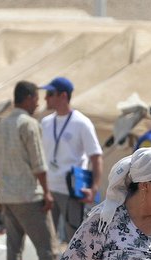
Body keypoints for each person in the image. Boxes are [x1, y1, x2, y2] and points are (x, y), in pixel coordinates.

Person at [0, 81, 58, 260]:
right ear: (29, 98)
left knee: (14, 248)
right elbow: (38, 164)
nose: (37, 104)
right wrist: (47, 192)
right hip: (29, 195)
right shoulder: (29, 124)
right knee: (46, 248)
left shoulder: (2, 124)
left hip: (8, 196)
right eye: (36, 100)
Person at [40, 76, 103, 243]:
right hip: (48, 188)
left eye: (50, 93)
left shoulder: (82, 123)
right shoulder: (45, 122)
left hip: (71, 189)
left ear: (63, 96)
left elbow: (96, 157)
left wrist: (94, 189)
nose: (45, 97)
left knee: (74, 238)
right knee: (46, 239)